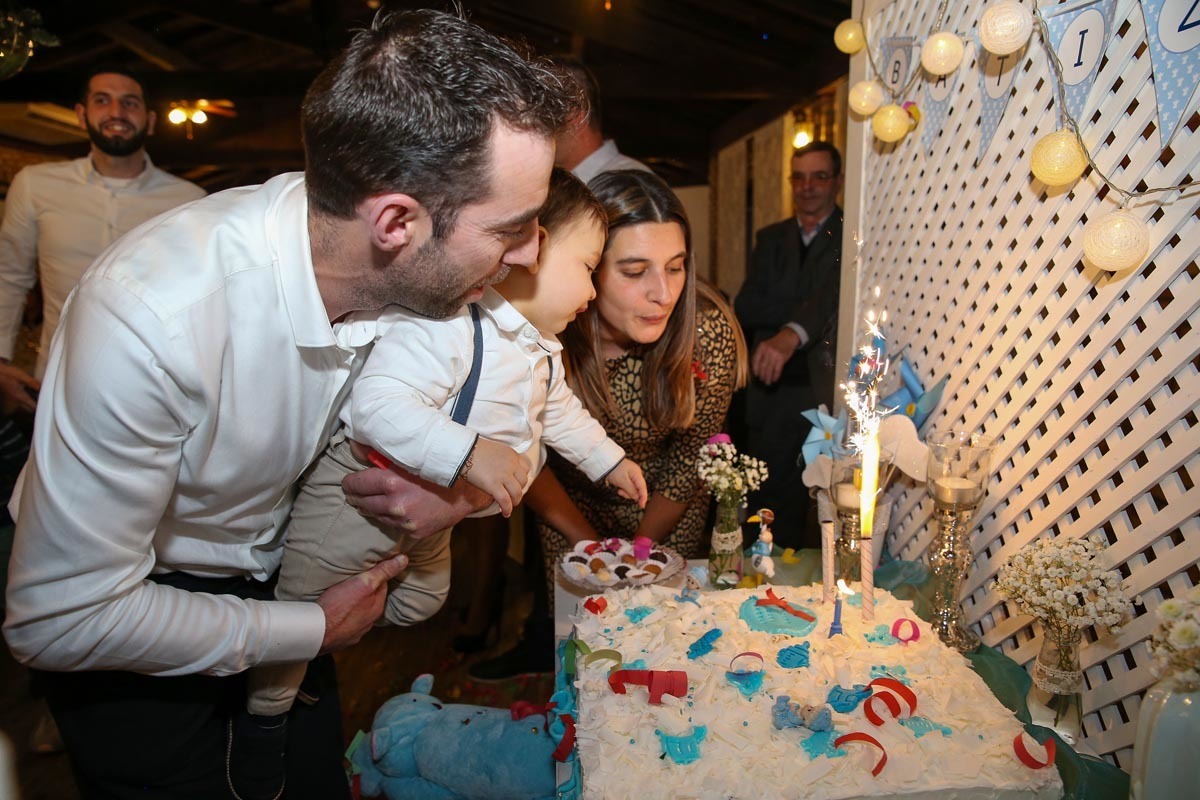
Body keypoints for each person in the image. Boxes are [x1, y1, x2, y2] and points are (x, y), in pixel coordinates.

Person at [2, 9, 575, 799]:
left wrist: (457, 495)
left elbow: (520, 411)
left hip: (290, 583)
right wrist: (313, 626)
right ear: (396, 222)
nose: (531, 253)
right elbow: (57, 619)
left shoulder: (421, 286)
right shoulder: (153, 318)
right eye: (511, 229)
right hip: (136, 622)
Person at [242, 168, 647, 787]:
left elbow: (562, 415)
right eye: (588, 267)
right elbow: (377, 408)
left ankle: (331, 635)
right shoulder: (449, 323)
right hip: (358, 496)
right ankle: (264, 718)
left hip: (435, 513)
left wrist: (609, 460)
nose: (592, 291)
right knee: (299, 620)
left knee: (422, 602)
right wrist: (471, 453)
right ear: (530, 250)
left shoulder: (540, 349)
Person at [470, 169, 748, 681]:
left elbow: (691, 459)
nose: (663, 293)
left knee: (661, 656)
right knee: (584, 660)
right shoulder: (547, 327)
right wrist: (591, 547)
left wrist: (637, 553)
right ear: (589, 266)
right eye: (635, 271)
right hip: (566, 509)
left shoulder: (706, 332)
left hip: (668, 509)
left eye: (676, 267)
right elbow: (522, 452)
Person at [0, 65, 205, 390]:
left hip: (158, 386)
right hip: (58, 380)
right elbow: (9, 276)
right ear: (82, 115)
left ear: (151, 121)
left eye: (130, 102)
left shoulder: (189, 201)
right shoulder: (35, 185)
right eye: (102, 100)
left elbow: (202, 298)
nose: (116, 112)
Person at [733, 141, 844, 551]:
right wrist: (806, 307)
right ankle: (755, 576)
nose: (808, 186)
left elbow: (836, 296)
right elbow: (748, 305)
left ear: (837, 181)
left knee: (816, 507)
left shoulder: (850, 233)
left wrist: (789, 325)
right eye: (799, 177)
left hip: (822, 393)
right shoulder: (771, 238)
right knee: (762, 500)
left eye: (819, 176)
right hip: (770, 392)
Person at [552, 56, 653, 183]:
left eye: (543, 114)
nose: (534, 127)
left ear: (574, 115)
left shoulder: (629, 183)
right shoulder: (563, 181)